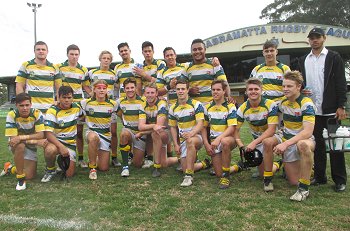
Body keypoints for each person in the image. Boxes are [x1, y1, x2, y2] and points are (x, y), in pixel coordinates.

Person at [298, 28, 347, 192]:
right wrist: (302, 90)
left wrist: (341, 106)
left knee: (335, 145)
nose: (314, 40)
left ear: (324, 38)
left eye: (317, 37)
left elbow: (341, 82)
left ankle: (339, 180)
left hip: (331, 110)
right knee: (317, 145)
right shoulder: (304, 59)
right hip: (313, 112)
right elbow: (301, 83)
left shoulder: (333, 57)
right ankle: (320, 177)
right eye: (311, 38)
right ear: (309, 40)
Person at [263, 71, 316, 201]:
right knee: (267, 142)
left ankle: (304, 189)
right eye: (284, 86)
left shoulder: (306, 103)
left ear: (298, 86)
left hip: (303, 139)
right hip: (286, 136)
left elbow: (308, 132)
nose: (285, 89)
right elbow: (265, 106)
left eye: (289, 86)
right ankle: (268, 178)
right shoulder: (282, 103)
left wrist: (285, 144)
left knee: (302, 145)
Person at [234, 78, 281, 192]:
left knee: (267, 142)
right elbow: (235, 130)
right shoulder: (242, 108)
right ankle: (278, 164)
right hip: (259, 140)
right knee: (261, 174)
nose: (253, 91)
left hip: (276, 136)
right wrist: (241, 145)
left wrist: (254, 142)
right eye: (250, 89)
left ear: (261, 90)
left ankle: (268, 180)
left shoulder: (270, 104)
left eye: (256, 89)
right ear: (246, 92)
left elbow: (271, 130)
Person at [169, 79, 210, 187]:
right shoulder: (173, 108)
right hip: (183, 140)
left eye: (183, 89)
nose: (180, 91)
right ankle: (203, 164)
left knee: (190, 141)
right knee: (184, 168)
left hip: (196, 137)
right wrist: (176, 144)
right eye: (178, 89)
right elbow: (173, 127)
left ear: (188, 90)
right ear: (175, 91)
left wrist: (191, 133)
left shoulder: (196, 104)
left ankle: (188, 177)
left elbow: (200, 124)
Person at [3, 93, 47, 190]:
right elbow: (15, 139)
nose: (25, 108)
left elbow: (40, 135)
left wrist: (21, 137)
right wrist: (35, 142)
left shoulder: (37, 113)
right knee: (20, 146)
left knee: (31, 175)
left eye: (27, 105)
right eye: (21, 105)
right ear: (16, 105)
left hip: (26, 142)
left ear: (31, 105)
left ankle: (10, 168)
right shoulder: (12, 115)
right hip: (16, 144)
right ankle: (21, 179)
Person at [57, 44, 91, 168]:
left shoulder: (83, 69)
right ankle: (62, 157)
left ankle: (81, 158)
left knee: (79, 132)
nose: (74, 56)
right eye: (72, 54)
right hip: (64, 103)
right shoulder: (59, 67)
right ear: (67, 54)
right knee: (62, 131)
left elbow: (86, 86)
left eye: (76, 54)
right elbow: (56, 84)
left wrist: (93, 96)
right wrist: (57, 100)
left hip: (77, 104)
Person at [42, 86, 83, 182]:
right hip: (56, 142)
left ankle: (62, 162)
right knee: (50, 150)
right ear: (58, 98)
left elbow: (83, 117)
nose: (66, 100)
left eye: (69, 98)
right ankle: (50, 170)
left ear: (73, 98)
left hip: (70, 144)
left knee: (69, 175)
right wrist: (61, 146)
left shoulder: (77, 107)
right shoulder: (52, 111)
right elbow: (48, 133)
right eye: (64, 97)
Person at [202, 80, 238, 189]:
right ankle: (237, 167)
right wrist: (207, 144)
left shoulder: (230, 106)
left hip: (228, 139)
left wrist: (218, 139)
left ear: (224, 91)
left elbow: (232, 127)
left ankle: (226, 177)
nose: (215, 92)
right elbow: (204, 127)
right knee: (218, 174)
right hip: (214, 143)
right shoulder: (207, 107)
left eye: (218, 89)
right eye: (213, 90)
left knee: (224, 142)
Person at [138, 83, 179, 177]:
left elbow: (159, 127)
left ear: (157, 93)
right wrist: (151, 127)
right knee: (164, 163)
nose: (149, 95)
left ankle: (156, 166)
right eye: (147, 92)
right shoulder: (142, 104)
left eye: (152, 92)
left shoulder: (162, 104)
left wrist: (143, 132)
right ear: (144, 94)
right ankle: (180, 159)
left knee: (156, 134)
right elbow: (141, 126)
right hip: (158, 132)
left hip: (168, 132)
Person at [80, 80, 118, 180]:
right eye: (99, 88)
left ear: (107, 90)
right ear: (94, 90)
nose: (101, 90)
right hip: (92, 132)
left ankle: (94, 157)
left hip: (106, 135)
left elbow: (122, 114)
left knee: (104, 168)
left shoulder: (113, 104)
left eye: (104, 88)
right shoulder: (85, 103)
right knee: (93, 138)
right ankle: (92, 168)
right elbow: (72, 106)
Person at [88, 50, 119, 168]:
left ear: (111, 61)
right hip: (96, 105)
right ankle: (94, 157)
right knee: (95, 131)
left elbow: (118, 86)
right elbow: (85, 84)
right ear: (100, 59)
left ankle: (114, 157)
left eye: (108, 59)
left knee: (114, 132)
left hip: (110, 106)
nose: (106, 60)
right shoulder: (92, 73)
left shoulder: (114, 73)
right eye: (104, 58)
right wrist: (92, 94)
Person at [15, 41, 61, 113]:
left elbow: (59, 88)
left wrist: (58, 101)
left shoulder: (54, 67)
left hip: (49, 109)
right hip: (31, 109)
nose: (41, 51)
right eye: (38, 49)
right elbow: (19, 85)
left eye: (43, 49)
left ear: (47, 51)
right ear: (34, 51)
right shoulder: (26, 65)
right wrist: (22, 103)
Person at [186, 38, 231, 106]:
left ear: (205, 50)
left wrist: (228, 97)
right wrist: (189, 91)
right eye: (194, 50)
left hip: (211, 107)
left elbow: (224, 83)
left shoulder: (214, 64)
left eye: (200, 49)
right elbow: (180, 87)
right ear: (191, 52)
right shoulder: (187, 67)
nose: (197, 51)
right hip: (193, 108)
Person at [116, 78, 146, 177]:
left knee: (137, 164)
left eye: (132, 87)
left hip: (140, 133)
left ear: (136, 88)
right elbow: (119, 114)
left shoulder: (143, 101)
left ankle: (134, 154)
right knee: (124, 134)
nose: (130, 90)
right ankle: (125, 167)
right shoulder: (120, 102)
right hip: (128, 130)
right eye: (127, 88)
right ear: (124, 89)